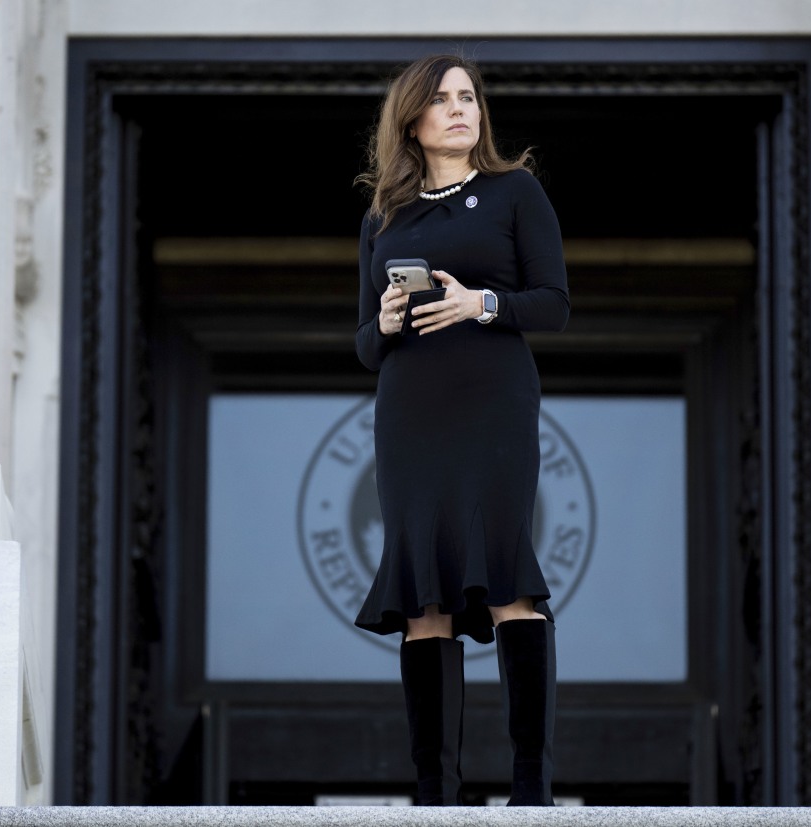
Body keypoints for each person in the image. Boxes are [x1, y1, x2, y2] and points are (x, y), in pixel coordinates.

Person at [351, 53, 570, 807]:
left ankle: (531, 786)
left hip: (493, 407)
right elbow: (363, 344)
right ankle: (435, 795)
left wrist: (482, 304)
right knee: (423, 598)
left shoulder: (516, 192)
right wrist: (382, 320)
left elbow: (553, 303)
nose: (458, 109)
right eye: (441, 99)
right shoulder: (384, 216)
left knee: (507, 576)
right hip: (411, 415)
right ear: (411, 118)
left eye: (468, 96)